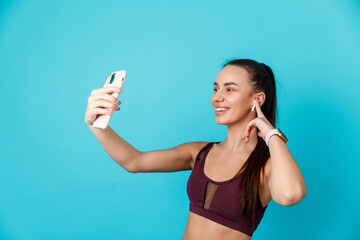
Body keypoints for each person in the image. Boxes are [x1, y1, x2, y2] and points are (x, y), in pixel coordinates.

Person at [85, 59, 307, 239]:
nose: (217, 97)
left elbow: (290, 195)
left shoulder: (266, 167)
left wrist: (269, 133)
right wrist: (95, 124)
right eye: (215, 88)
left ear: (257, 99)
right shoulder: (198, 153)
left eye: (230, 89)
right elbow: (134, 161)